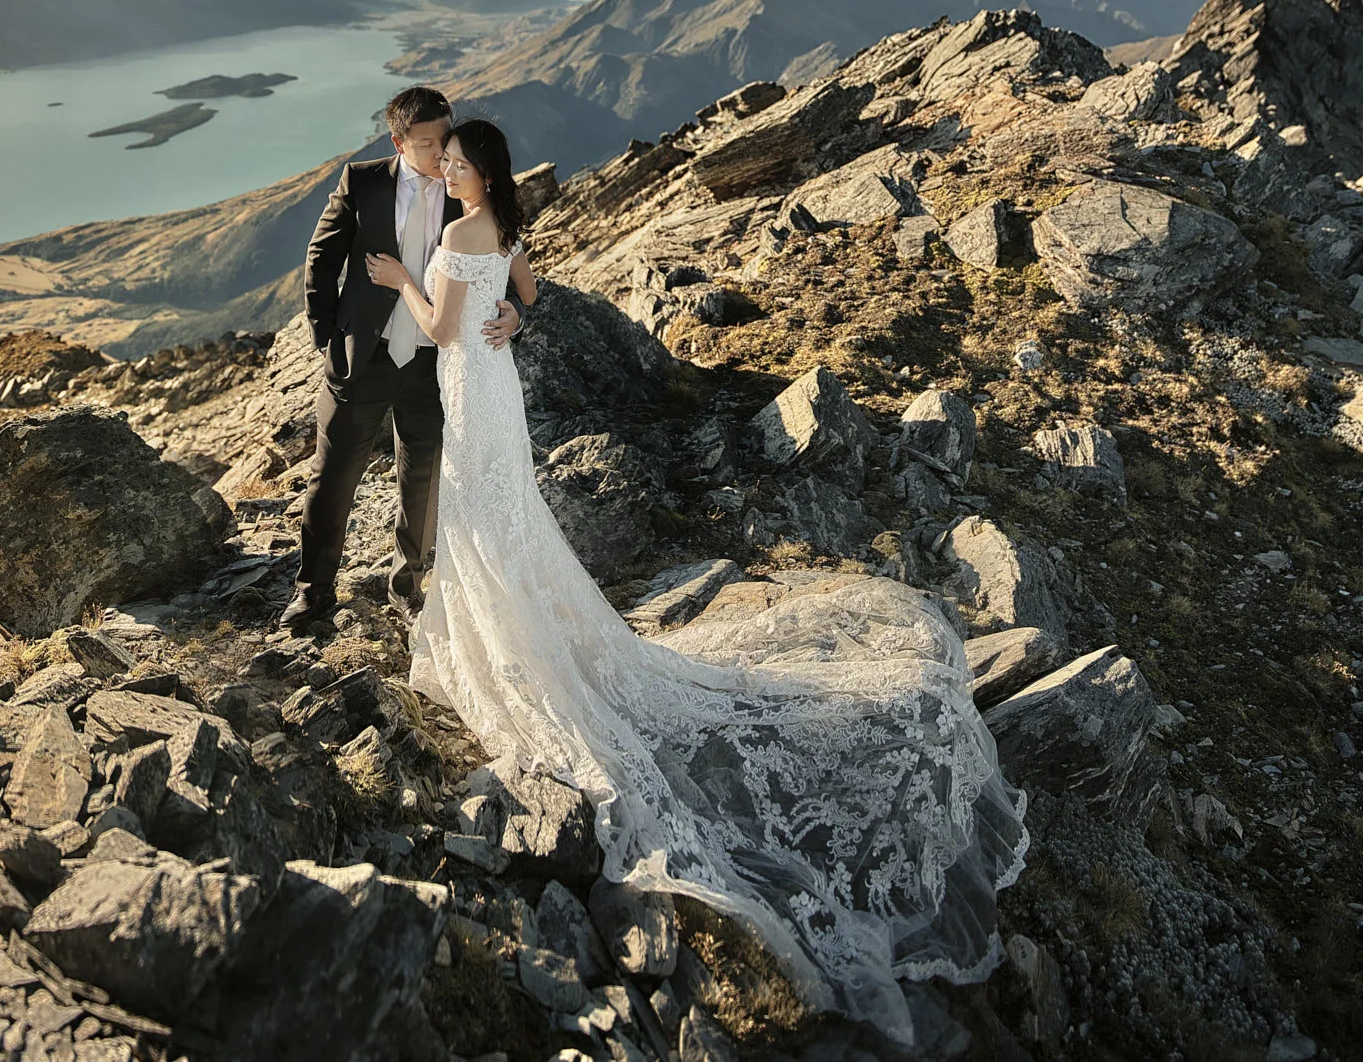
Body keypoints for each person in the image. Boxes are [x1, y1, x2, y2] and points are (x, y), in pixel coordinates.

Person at [367, 117, 1030, 1047]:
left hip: (472, 389)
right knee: (506, 521)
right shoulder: (501, 227)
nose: (452, 168)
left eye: (462, 162)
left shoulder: (452, 234)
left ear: (481, 173)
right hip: (497, 388)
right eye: (452, 160)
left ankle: (508, 640)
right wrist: (515, 317)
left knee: (485, 522)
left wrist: (402, 281)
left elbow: (439, 327)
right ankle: (516, 622)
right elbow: (524, 290)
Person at [280, 87, 525, 632]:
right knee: (332, 479)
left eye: (446, 139)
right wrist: (328, 338)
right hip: (361, 358)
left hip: (433, 366)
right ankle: (313, 593)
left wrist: (516, 315)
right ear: (398, 142)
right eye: (427, 144)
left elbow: (501, 263)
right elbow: (321, 259)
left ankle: (406, 586)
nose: (442, 154)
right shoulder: (362, 181)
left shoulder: (466, 193)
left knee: (422, 481)